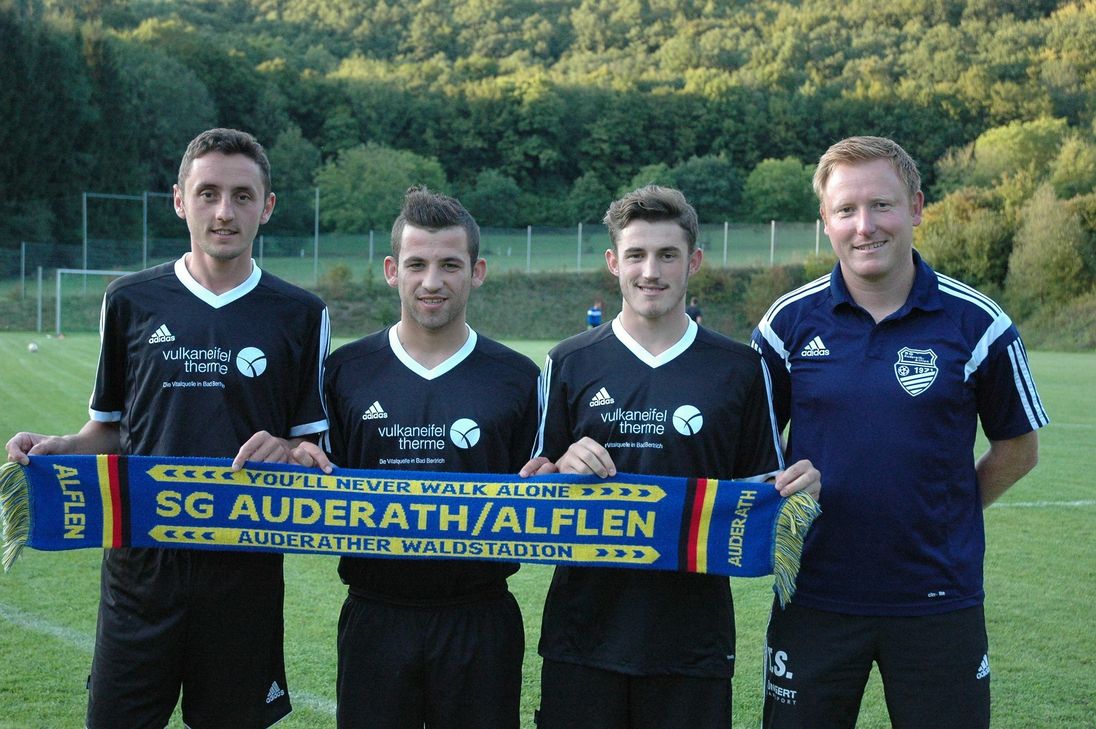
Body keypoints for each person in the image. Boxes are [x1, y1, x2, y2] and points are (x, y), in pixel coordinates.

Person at [5, 128, 330, 728]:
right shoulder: (130, 298)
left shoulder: (301, 314)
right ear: (180, 200)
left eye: (241, 195)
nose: (224, 212)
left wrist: (288, 447)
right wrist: (61, 449)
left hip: (244, 574)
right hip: (139, 572)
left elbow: (312, 448)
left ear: (268, 206)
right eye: (207, 193)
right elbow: (110, 430)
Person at [751, 136, 1048, 729]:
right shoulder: (787, 323)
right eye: (846, 211)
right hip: (813, 597)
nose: (865, 226)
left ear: (915, 207)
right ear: (826, 223)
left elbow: (1019, 449)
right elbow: (751, 447)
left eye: (881, 205)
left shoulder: (979, 323)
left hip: (938, 599)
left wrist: (947, 511)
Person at [520, 185, 821, 729]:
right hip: (583, 632)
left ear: (694, 262)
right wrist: (558, 468)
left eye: (667, 255)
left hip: (693, 641)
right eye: (635, 254)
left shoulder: (740, 369)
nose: (650, 271)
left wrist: (797, 493)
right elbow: (536, 490)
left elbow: (760, 497)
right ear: (613, 262)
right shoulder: (567, 361)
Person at [292, 187, 540, 729]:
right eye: (417, 264)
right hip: (375, 613)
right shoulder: (345, 371)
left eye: (450, 264)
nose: (432, 281)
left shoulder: (519, 377)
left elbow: (541, 491)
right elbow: (315, 473)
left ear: (477, 272)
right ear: (390, 270)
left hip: (480, 614)